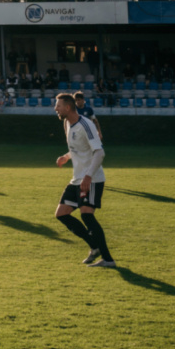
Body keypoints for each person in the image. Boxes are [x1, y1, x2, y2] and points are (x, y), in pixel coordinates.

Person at [53, 93, 116, 268]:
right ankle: (94, 247)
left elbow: (99, 152)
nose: (55, 109)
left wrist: (88, 176)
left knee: (87, 215)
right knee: (61, 214)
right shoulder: (67, 123)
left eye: (58, 106)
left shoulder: (86, 125)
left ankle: (108, 259)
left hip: (92, 178)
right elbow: (78, 149)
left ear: (68, 107)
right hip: (77, 179)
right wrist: (66, 157)